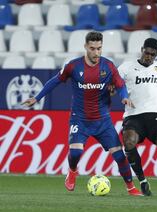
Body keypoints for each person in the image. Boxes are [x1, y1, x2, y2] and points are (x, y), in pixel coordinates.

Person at [22, 31, 143, 196]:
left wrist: (124, 97)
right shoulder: (73, 66)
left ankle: (131, 188)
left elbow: (120, 85)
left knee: (120, 156)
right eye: (92, 48)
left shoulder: (108, 66)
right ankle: (72, 171)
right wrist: (36, 98)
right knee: (76, 153)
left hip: (103, 121)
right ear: (86, 47)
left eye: (99, 48)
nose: (96, 52)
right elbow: (55, 81)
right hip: (80, 119)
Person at [117, 38, 157, 196]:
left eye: (152, 54)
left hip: (156, 115)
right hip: (134, 115)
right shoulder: (126, 67)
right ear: (142, 49)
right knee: (128, 142)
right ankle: (142, 181)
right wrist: (116, 91)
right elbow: (115, 84)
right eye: (146, 53)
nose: (148, 57)